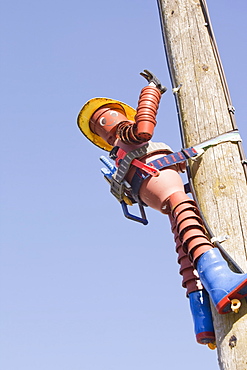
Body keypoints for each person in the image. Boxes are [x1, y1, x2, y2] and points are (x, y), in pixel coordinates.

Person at [77, 70, 247, 345]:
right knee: (186, 215)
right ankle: (220, 280)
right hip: (158, 181)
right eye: (106, 118)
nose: (111, 120)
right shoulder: (125, 135)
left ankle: (201, 315)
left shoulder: (119, 154)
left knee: (183, 242)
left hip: (150, 187)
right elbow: (144, 128)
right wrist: (152, 91)